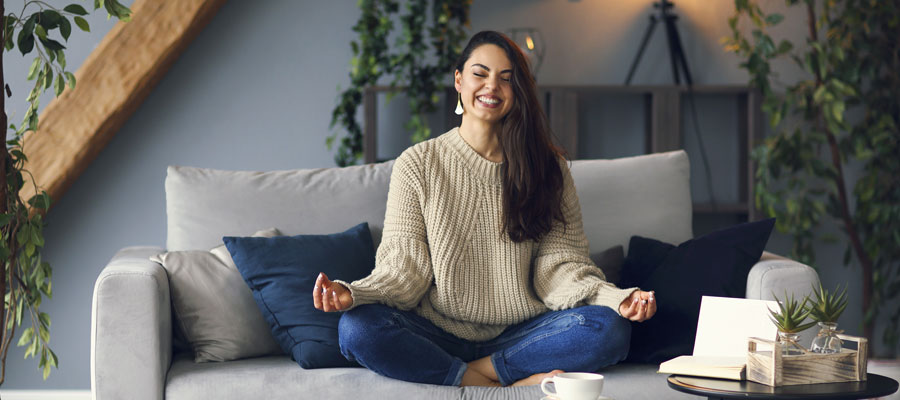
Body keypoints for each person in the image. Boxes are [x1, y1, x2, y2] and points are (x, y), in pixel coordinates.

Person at [312, 30, 656, 387]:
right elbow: (405, 266)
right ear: (458, 80)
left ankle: (476, 371)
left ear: (518, 91)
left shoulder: (548, 169)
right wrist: (356, 292)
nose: (492, 86)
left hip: (522, 334)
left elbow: (560, 268)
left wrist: (617, 299)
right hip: (435, 331)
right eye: (480, 73)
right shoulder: (418, 163)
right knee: (357, 328)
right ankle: (498, 379)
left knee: (609, 329)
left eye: (507, 79)